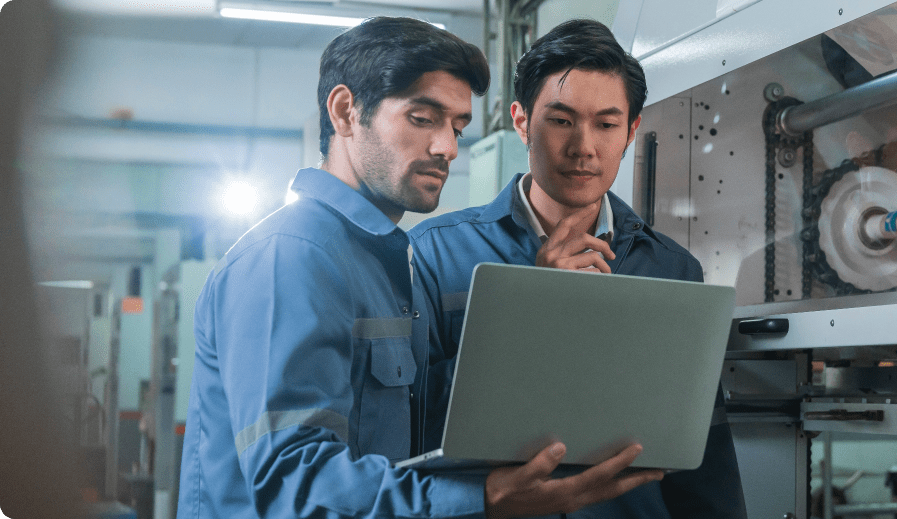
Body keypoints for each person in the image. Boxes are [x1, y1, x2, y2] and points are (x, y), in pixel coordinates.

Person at [177, 17, 661, 518]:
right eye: (422, 118)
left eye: (456, 126)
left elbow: (426, 426)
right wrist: (484, 498)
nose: (447, 148)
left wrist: (538, 322)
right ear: (346, 111)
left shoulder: (385, 260)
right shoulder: (291, 256)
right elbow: (294, 483)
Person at [410, 19, 749, 519]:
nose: (583, 147)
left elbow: (702, 451)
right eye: (561, 120)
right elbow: (411, 427)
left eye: (607, 125)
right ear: (522, 122)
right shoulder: (434, 257)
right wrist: (533, 311)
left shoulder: (673, 269)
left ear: (632, 130)